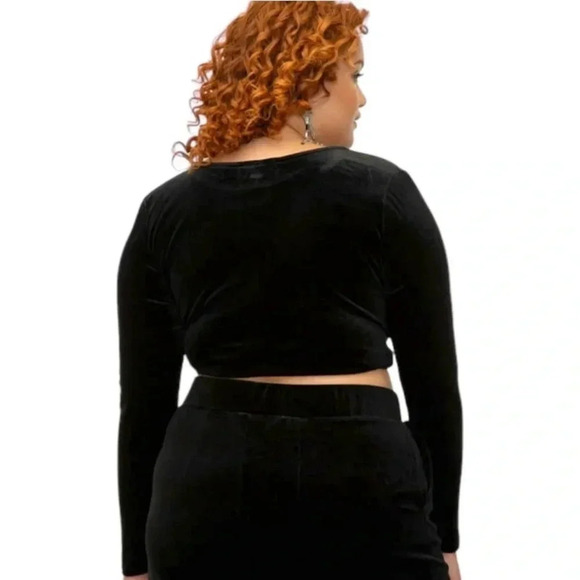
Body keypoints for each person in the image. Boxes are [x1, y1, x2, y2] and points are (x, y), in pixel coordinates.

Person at [116, 2, 463, 579]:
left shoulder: (165, 210)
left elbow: (144, 404)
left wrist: (136, 559)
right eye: (353, 75)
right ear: (310, 82)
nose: (361, 97)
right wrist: (444, 536)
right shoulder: (381, 191)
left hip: (207, 482)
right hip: (358, 475)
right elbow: (434, 389)